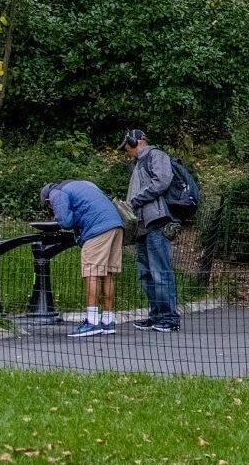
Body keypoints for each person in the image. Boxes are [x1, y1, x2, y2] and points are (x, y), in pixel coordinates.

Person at [42, 180, 125, 338]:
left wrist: (70, 217)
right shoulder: (82, 184)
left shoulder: (56, 193)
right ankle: (107, 320)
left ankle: (92, 321)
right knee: (107, 273)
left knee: (91, 273)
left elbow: (65, 222)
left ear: (47, 198)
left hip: (97, 229)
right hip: (116, 224)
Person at [123, 129, 182, 332]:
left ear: (136, 141)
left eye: (126, 145)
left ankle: (169, 318)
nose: (126, 149)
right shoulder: (138, 163)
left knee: (160, 272)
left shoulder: (156, 155)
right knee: (146, 273)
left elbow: (162, 181)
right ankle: (156, 315)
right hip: (141, 226)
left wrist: (137, 200)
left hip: (156, 221)